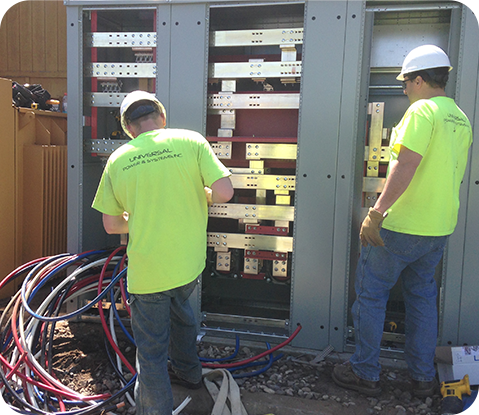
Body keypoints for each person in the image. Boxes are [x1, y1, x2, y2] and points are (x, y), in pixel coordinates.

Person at [332, 45, 472, 397]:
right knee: (422, 298)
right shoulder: (460, 117)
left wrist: (376, 214)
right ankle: (424, 377)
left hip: (401, 226)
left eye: (407, 81)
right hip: (438, 228)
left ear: (421, 79)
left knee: (371, 295)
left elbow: (405, 165)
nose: (404, 88)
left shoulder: (421, 111)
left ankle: (365, 372)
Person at [92, 90, 234, 415]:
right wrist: (199, 195)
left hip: (148, 274)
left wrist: (143, 216)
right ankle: (190, 374)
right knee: (182, 315)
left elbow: (112, 226)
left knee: (151, 352)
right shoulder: (191, 141)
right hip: (188, 266)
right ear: (162, 117)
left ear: (129, 128)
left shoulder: (119, 159)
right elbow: (225, 192)